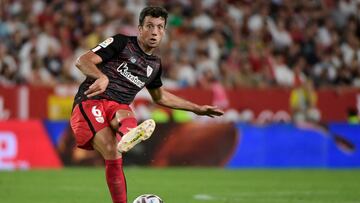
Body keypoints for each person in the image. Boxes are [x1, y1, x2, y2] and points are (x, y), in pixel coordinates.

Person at [69, 6, 223, 203]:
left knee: (125, 113)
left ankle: (128, 135)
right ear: (140, 28)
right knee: (111, 149)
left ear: (164, 32)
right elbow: (83, 61)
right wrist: (101, 76)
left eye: (159, 27)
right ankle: (127, 136)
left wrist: (197, 108)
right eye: (149, 26)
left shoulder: (155, 65)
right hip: (90, 103)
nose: (154, 31)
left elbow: (160, 97)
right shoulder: (121, 42)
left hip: (118, 107)